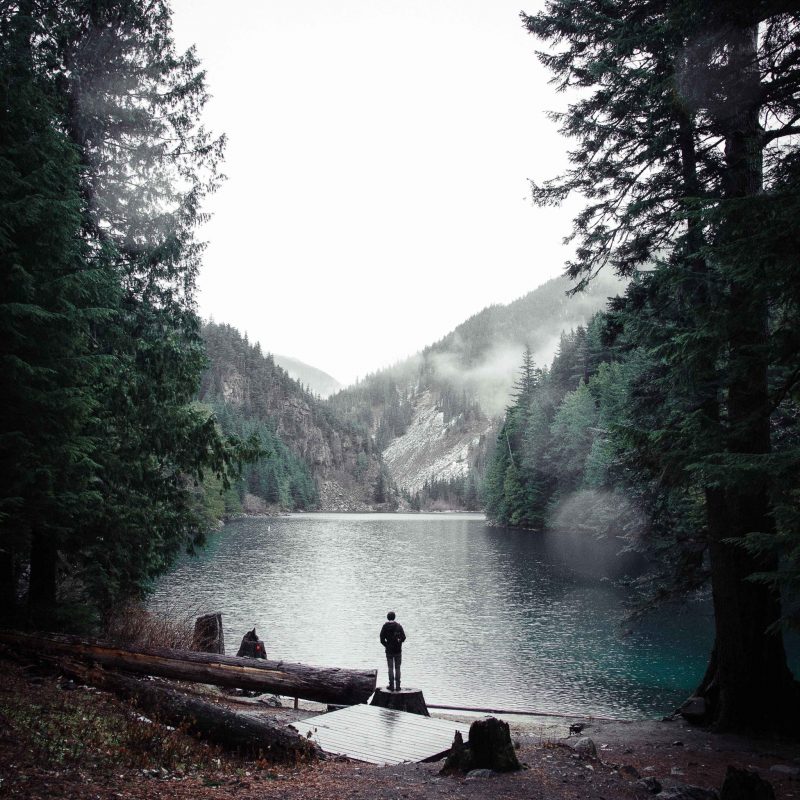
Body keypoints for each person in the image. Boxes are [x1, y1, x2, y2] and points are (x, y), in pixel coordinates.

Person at [379, 611, 406, 691]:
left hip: (389, 650)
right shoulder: (398, 626)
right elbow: (404, 637)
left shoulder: (385, 626)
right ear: (394, 617)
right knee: (397, 668)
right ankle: (398, 686)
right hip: (398, 650)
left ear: (388, 618)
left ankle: (391, 685)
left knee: (390, 668)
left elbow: (381, 639)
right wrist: (399, 642)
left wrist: (386, 645)